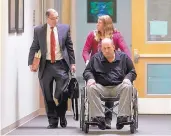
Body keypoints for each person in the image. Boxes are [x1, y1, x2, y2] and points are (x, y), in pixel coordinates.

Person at [28, 9, 76, 129]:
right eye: (53, 18)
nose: (56, 20)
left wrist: (72, 63)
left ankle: (61, 114)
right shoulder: (39, 30)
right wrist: (31, 63)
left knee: (62, 92)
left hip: (61, 65)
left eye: (57, 17)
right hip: (46, 65)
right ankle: (52, 121)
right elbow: (34, 46)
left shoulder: (65, 29)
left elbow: (70, 47)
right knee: (48, 95)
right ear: (48, 19)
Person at [82, 15, 131, 129]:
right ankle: (97, 116)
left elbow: (126, 51)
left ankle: (108, 118)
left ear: (106, 25)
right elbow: (85, 51)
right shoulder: (93, 35)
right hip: (96, 67)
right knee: (96, 84)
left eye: (99, 23)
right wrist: (88, 61)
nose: (97, 24)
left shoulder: (116, 36)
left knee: (111, 82)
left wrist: (126, 64)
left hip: (112, 67)